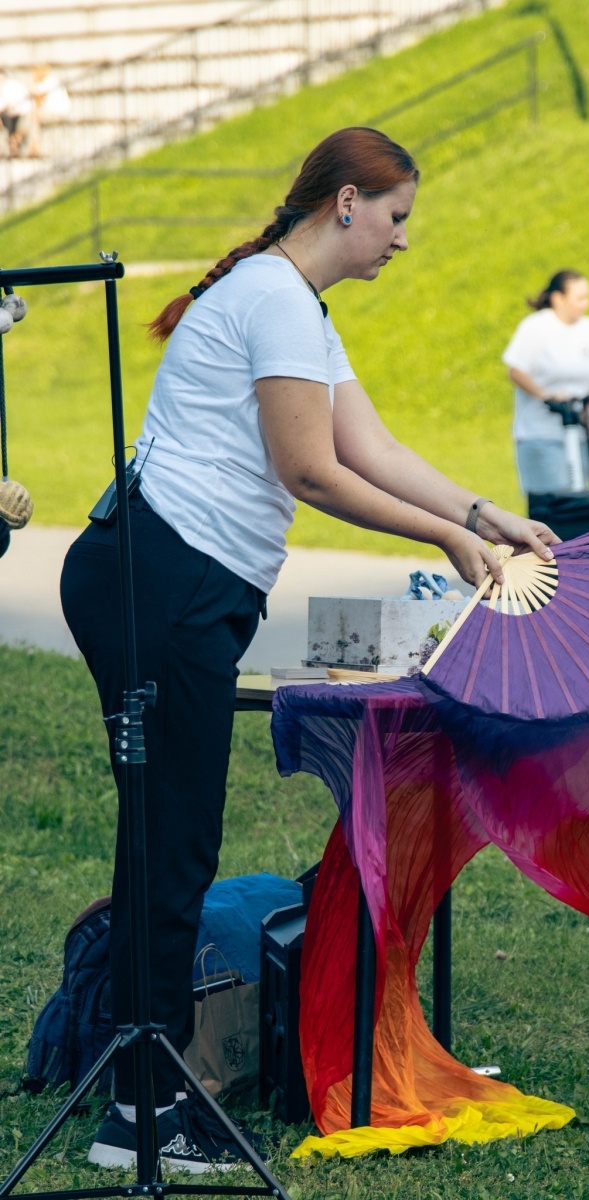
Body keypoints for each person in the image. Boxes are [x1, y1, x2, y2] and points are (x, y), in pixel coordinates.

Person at [59, 127, 559, 1172]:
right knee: (174, 835)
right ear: (344, 202)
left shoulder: (295, 306)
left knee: (170, 830)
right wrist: (444, 537)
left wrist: (485, 513)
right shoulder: (272, 298)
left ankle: (137, 1096)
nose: (400, 239)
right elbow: (312, 471)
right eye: (396, 216)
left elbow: (368, 446)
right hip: (158, 579)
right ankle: (138, 1116)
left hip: (177, 583)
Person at [501, 269, 589, 496]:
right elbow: (516, 371)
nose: (586, 304)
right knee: (554, 508)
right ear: (558, 298)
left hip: (580, 432)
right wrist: (546, 396)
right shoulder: (536, 326)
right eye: (580, 298)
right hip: (541, 434)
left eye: (587, 297)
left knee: (579, 505)